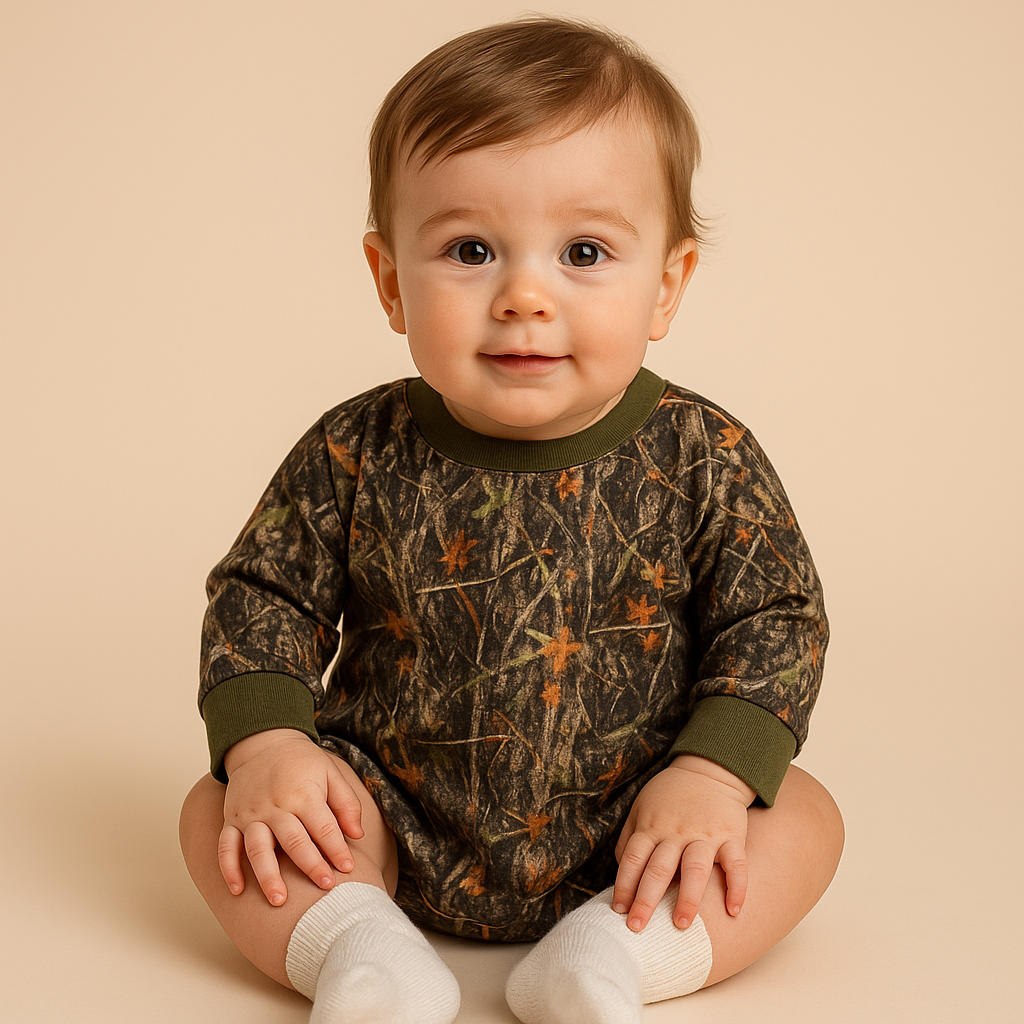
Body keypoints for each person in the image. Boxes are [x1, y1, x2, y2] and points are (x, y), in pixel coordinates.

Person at [179, 16, 844, 1024]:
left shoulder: (701, 453)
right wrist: (268, 744)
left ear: (665, 285)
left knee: (805, 816)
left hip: (641, 819)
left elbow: (776, 616)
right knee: (215, 810)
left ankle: (611, 958)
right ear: (390, 280)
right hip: (382, 813)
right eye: (471, 249)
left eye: (583, 251)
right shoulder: (354, 448)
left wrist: (711, 772)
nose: (524, 295)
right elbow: (262, 591)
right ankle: (363, 950)